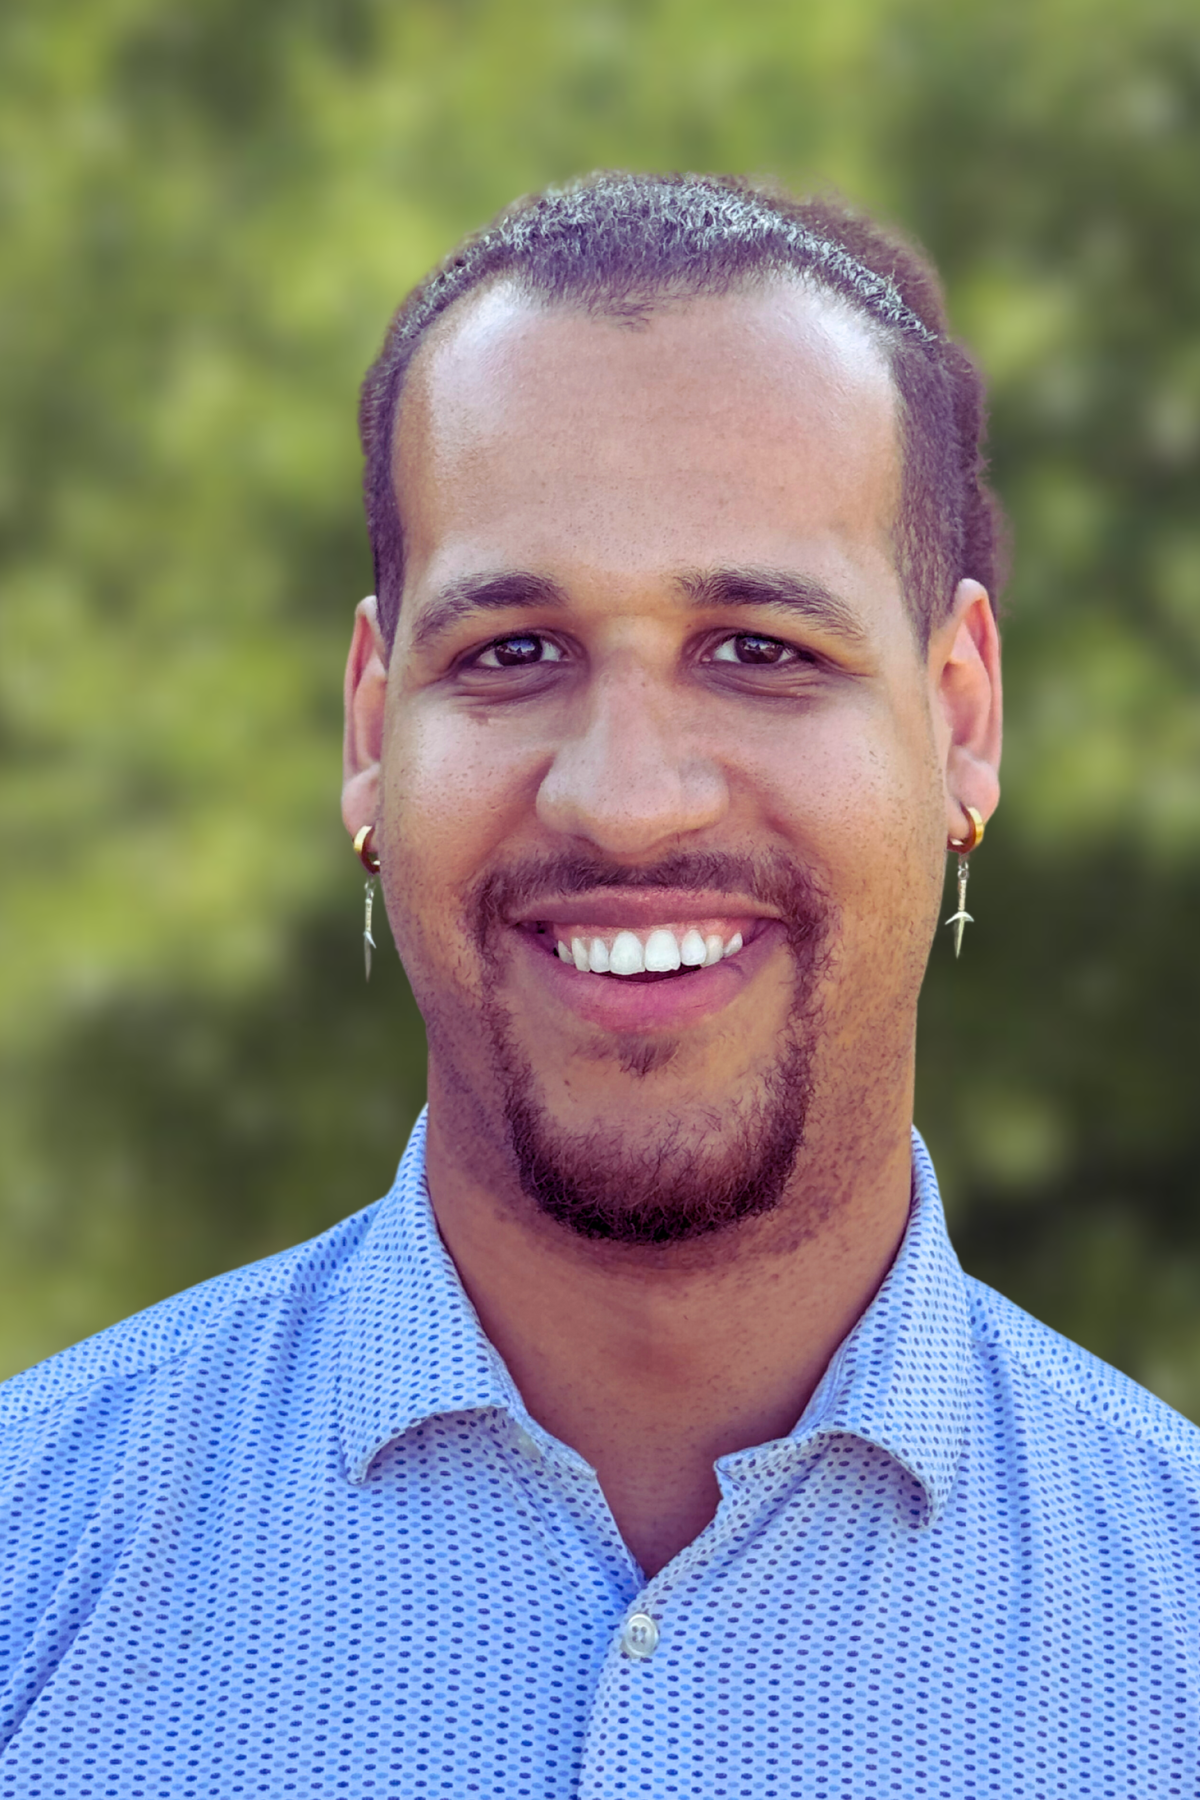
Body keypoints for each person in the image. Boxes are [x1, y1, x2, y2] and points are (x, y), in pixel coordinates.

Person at [2, 172, 1197, 1798]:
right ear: (370, 736)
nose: (628, 798)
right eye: (512, 653)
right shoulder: (31, 1568)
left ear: (962, 718)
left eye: (760, 649)